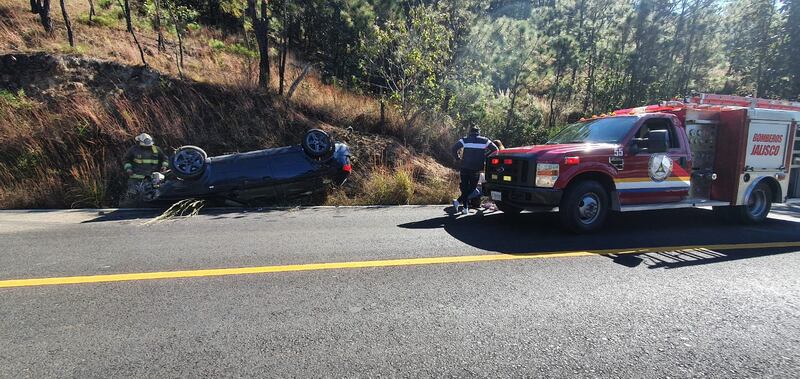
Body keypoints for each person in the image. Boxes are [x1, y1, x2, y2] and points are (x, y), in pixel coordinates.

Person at [451, 126, 497, 215]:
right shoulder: (484, 140)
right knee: (472, 188)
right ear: (478, 132)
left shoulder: (465, 139)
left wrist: (458, 158)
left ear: (470, 132)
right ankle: (462, 206)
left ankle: (463, 207)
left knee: (465, 187)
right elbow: (495, 149)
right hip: (475, 168)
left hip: (464, 166)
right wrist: (485, 157)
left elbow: (454, 148)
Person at [121, 133, 169, 206]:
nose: (148, 147)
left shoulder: (156, 149)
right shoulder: (134, 150)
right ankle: (130, 207)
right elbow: (126, 160)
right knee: (132, 195)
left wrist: (164, 166)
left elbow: (165, 158)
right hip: (136, 178)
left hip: (152, 178)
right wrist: (128, 169)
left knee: (153, 196)